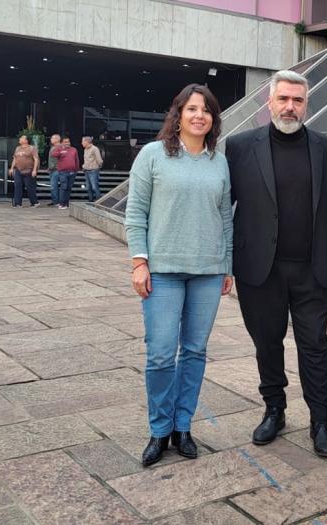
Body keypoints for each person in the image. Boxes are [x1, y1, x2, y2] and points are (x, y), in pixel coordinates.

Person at [226, 71, 327, 457]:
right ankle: (274, 409)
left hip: (314, 269)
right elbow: (224, 207)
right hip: (260, 269)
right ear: (269, 103)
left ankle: (320, 420)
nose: (290, 107)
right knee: (267, 344)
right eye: (284, 99)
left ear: (306, 104)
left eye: (298, 100)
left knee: (314, 346)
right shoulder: (239, 147)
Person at [125, 84, 233, 467]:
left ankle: (183, 425)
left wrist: (227, 267)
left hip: (207, 271)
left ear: (213, 120)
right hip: (164, 273)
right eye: (191, 109)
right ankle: (159, 429)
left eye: (206, 110)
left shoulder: (218, 160)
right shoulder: (153, 156)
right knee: (159, 355)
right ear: (178, 114)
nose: (199, 115)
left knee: (194, 352)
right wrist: (140, 262)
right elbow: (136, 212)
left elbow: (225, 217)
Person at [8, 135, 40, 207]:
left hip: (29, 170)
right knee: (17, 186)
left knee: (29, 187)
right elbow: (15, 159)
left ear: (26, 140)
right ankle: (17, 203)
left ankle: (34, 202)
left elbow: (36, 159)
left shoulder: (32, 148)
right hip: (18, 170)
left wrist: (34, 170)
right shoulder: (17, 148)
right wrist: (12, 168)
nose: (19, 139)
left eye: (22, 138)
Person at [51, 136, 79, 209]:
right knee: (64, 187)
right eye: (65, 142)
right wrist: (61, 151)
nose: (67, 143)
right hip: (63, 171)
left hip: (72, 172)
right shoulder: (59, 148)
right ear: (62, 143)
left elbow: (76, 160)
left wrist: (76, 170)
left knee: (69, 188)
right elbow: (53, 154)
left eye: (68, 142)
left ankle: (66, 203)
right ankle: (61, 203)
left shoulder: (74, 150)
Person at [82, 136, 104, 202]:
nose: (81, 143)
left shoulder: (95, 149)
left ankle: (98, 201)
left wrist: (98, 166)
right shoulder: (85, 149)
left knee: (94, 187)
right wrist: (84, 166)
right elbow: (86, 160)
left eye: (83, 141)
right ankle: (90, 200)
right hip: (86, 170)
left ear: (87, 142)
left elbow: (99, 159)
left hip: (93, 170)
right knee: (88, 187)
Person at [46, 134, 61, 206]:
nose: (51, 139)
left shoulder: (60, 147)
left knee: (54, 186)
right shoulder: (53, 147)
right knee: (53, 186)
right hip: (52, 169)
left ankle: (56, 201)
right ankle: (54, 200)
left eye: (52, 138)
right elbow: (52, 159)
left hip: (57, 169)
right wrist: (49, 167)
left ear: (57, 139)